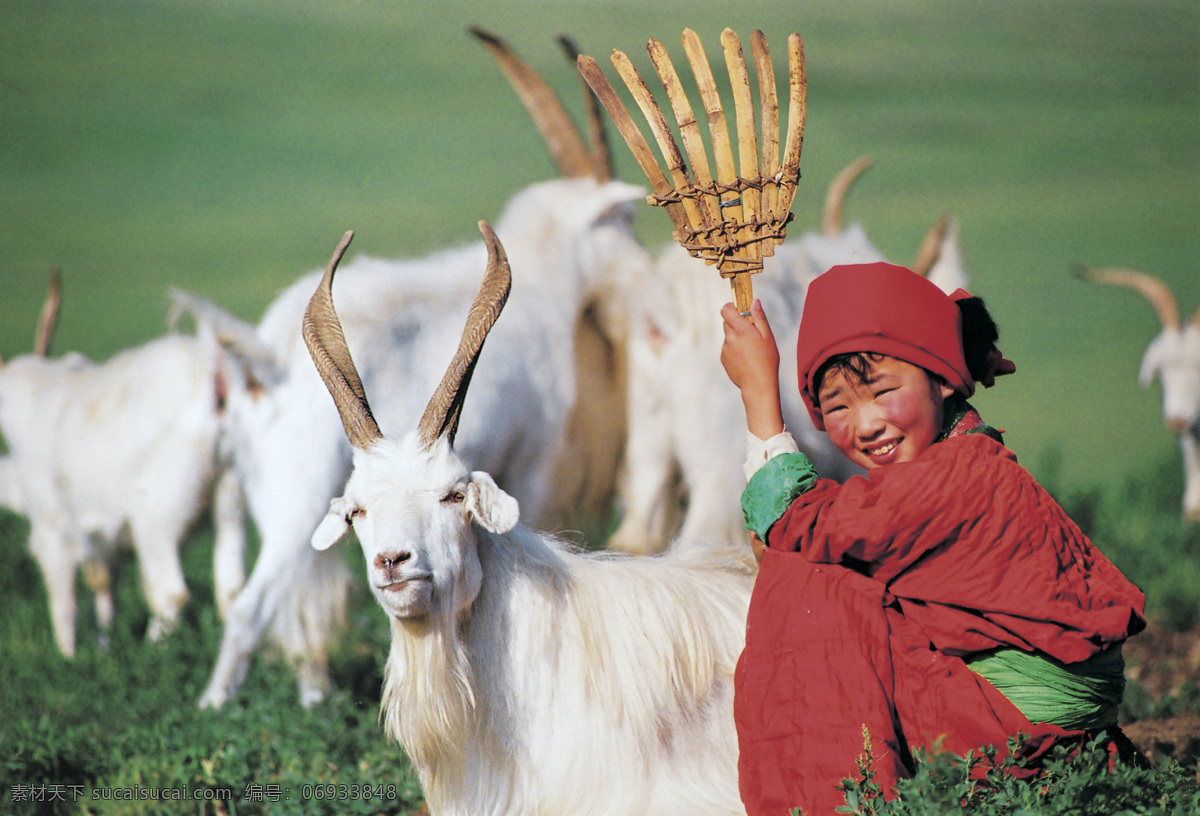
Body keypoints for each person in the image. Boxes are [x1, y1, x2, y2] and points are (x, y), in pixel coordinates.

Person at [719, 262, 1146, 816]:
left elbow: (800, 524)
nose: (866, 423)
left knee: (811, 582)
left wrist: (759, 393)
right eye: (839, 406)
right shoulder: (964, 454)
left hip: (1023, 744)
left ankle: (827, 805)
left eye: (882, 391)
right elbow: (805, 526)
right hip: (1040, 737)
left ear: (941, 378)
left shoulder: (956, 477)